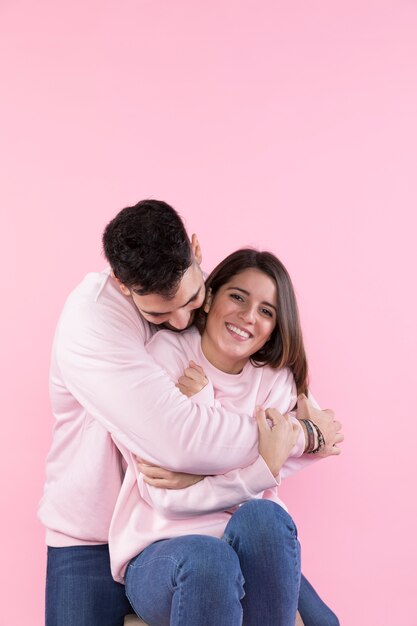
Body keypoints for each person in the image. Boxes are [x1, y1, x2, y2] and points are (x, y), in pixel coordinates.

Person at [38, 199, 342, 626]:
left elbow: (251, 369)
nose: (184, 320)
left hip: (211, 527)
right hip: (96, 534)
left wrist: (296, 426)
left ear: (197, 254)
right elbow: (181, 443)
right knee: (206, 565)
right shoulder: (92, 326)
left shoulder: (209, 305)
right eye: (161, 312)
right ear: (124, 286)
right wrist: (299, 436)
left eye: (195, 296)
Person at [108, 248, 342, 626]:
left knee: (265, 518)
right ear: (210, 295)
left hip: (248, 550)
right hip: (164, 551)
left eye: (266, 311)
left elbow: (316, 439)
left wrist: (203, 471)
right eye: (238, 297)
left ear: (274, 327)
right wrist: (260, 467)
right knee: (210, 560)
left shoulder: (274, 379)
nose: (248, 317)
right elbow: (166, 497)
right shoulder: (164, 357)